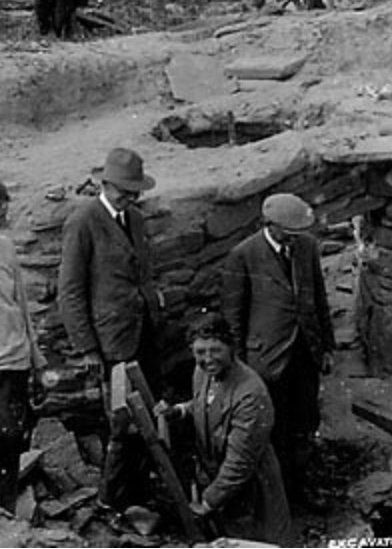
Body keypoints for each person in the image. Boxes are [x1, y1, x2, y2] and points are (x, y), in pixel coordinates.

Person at [58, 147, 162, 520]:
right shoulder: (83, 221)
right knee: (121, 423)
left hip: (142, 333)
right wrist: (86, 348)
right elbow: (69, 291)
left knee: (149, 416)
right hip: (112, 342)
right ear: (105, 184)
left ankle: (141, 493)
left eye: (134, 191)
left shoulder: (133, 218)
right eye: (123, 190)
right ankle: (112, 500)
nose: (129, 197)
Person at [221, 193, 335, 504]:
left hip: (304, 353)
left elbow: (319, 299)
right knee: (275, 427)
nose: (296, 236)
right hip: (267, 360)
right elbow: (233, 317)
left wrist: (326, 346)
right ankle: (277, 495)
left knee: (306, 420)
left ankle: (303, 484)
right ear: (269, 225)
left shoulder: (307, 247)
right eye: (290, 231)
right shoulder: (243, 255)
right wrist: (239, 368)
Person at [155, 313, 292, 544]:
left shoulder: (250, 393)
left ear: (231, 348)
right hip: (221, 485)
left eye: (215, 350)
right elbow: (205, 404)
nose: (208, 358)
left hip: (251, 493)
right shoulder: (203, 372)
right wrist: (179, 410)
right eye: (200, 352)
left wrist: (206, 503)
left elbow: (239, 464)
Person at [0, 182, 46, 513]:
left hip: (13, 357)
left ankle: (7, 507)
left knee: (12, 435)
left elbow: (22, 304)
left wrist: (36, 353)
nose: (3, 214)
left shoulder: (5, 247)